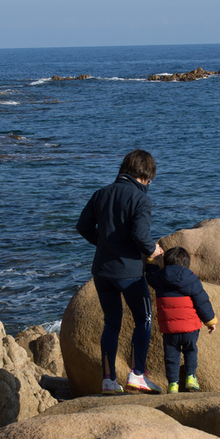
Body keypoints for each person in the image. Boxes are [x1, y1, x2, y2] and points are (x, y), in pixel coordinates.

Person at [76, 149, 164, 394]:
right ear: (145, 176)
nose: (149, 184)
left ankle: (108, 380)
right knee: (143, 319)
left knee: (111, 323)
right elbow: (140, 235)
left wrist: (104, 243)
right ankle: (137, 375)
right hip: (129, 272)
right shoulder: (141, 199)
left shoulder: (101, 193)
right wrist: (153, 250)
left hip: (102, 271)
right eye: (150, 180)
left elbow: (82, 226)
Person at [145, 246, 217, 393]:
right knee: (190, 350)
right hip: (190, 327)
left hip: (170, 329)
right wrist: (210, 321)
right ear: (186, 263)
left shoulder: (159, 277)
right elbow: (202, 301)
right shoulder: (191, 279)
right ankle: (190, 377)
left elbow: (150, 275)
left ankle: (173, 384)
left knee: (172, 355)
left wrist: (153, 259)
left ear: (166, 262)